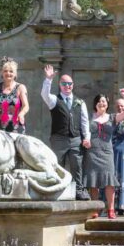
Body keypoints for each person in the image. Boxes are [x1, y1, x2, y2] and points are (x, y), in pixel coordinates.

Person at [41, 64, 90, 200]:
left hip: (75, 139)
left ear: (73, 85)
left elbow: (84, 122)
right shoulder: (54, 100)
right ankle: (58, 190)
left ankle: (79, 190)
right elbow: (44, 94)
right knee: (58, 165)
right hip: (59, 139)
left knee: (77, 166)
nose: (67, 86)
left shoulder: (80, 102)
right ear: (60, 85)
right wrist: (48, 80)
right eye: (64, 84)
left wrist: (87, 137)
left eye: (70, 84)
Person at [83, 90, 124, 219]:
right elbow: (83, 131)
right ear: (95, 104)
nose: (101, 103)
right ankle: (95, 209)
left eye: (103, 101)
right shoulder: (89, 117)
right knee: (94, 182)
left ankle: (110, 209)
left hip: (107, 153)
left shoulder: (112, 117)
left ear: (107, 104)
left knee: (109, 181)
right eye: (99, 101)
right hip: (92, 152)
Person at [0, 58, 28, 133]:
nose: (8, 73)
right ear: (2, 73)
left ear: (15, 74)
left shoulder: (20, 87)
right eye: (5, 71)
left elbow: (26, 106)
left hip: (16, 124)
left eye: (11, 71)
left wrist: (21, 114)